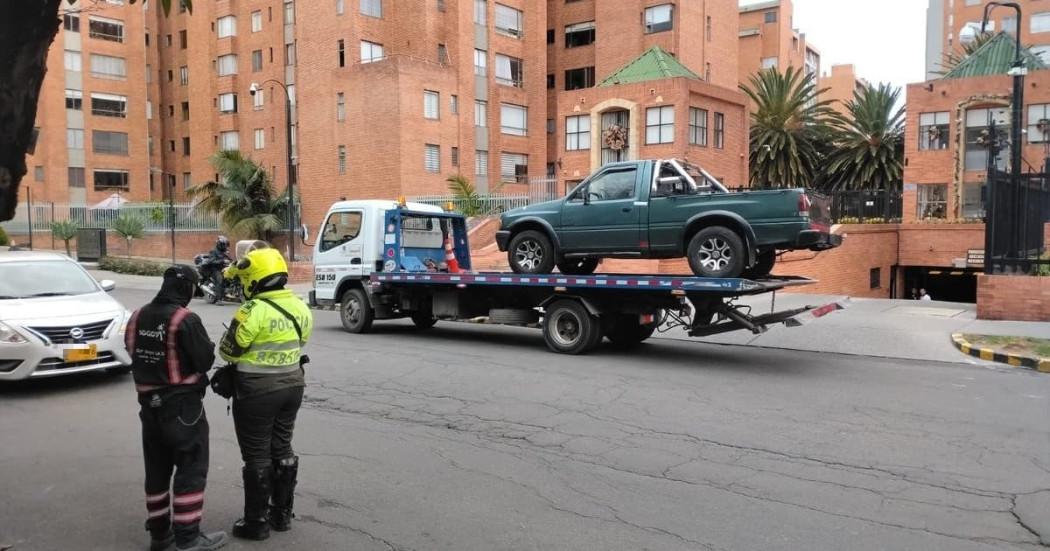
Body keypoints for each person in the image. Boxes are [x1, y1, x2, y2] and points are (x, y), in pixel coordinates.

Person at [126, 265, 227, 551]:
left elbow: (133, 352)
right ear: (186, 288)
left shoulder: (137, 316)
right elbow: (204, 360)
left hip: (149, 408)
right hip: (182, 408)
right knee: (191, 467)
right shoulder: (185, 319)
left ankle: (160, 536)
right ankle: (188, 538)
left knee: (156, 469)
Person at [219, 246, 313, 541]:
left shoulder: (252, 310)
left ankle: (256, 523)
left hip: (256, 392)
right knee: (282, 447)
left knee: (257, 454)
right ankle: (281, 515)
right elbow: (303, 340)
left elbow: (228, 350)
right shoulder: (299, 305)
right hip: (292, 386)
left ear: (254, 280)